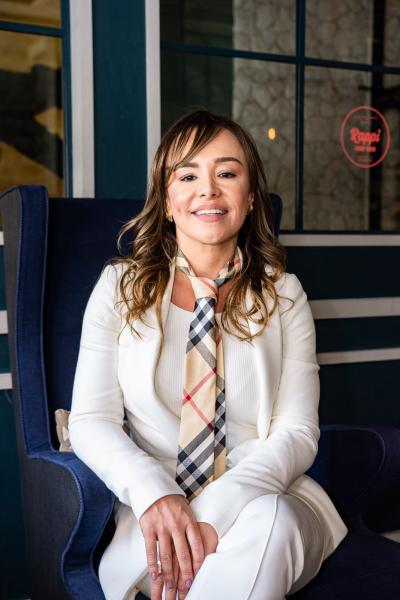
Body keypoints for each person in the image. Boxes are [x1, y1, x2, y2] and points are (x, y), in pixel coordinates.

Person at [68, 109, 348, 600]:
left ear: (250, 197)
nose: (208, 190)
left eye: (227, 173)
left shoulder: (285, 296)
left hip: (265, 498)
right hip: (156, 513)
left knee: (274, 521)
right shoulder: (118, 288)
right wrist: (156, 495)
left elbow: (297, 432)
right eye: (188, 176)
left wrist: (214, 516)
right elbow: (92, 420)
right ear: (167, 200)